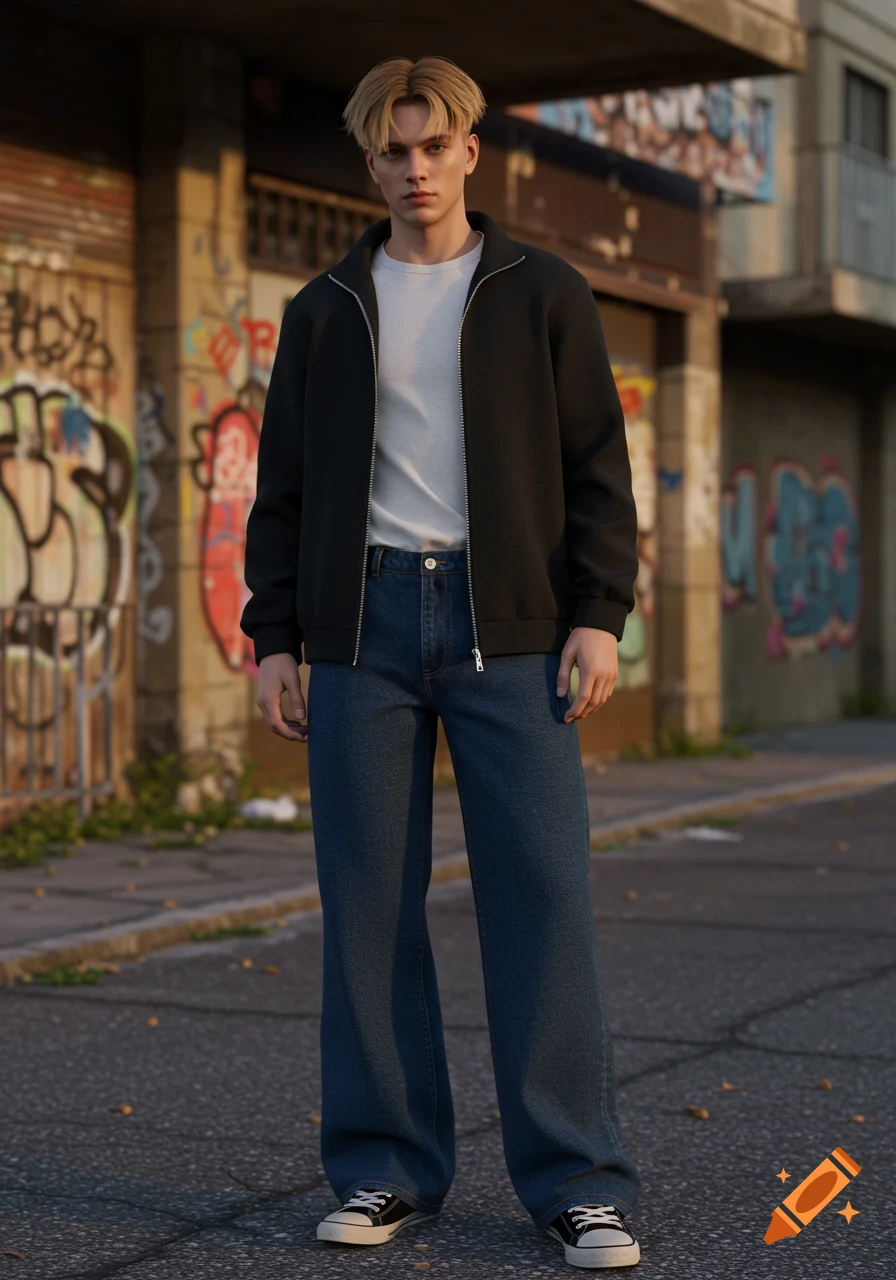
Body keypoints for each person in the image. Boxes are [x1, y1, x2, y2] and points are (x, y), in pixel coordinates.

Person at [240, 55, 642, 1271]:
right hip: (360, 626)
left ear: (471, 150)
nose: (413, 169)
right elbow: (283, 490)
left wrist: (599, 611)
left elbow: (596, 472)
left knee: (542, 899)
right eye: (391, 151)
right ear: (369, 163)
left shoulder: (542, 292)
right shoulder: (324, 307)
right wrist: (274, 635)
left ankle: (575, 1180)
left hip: (508, 625)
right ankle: (382, 1169)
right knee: (366, 907)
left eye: (433, 146)